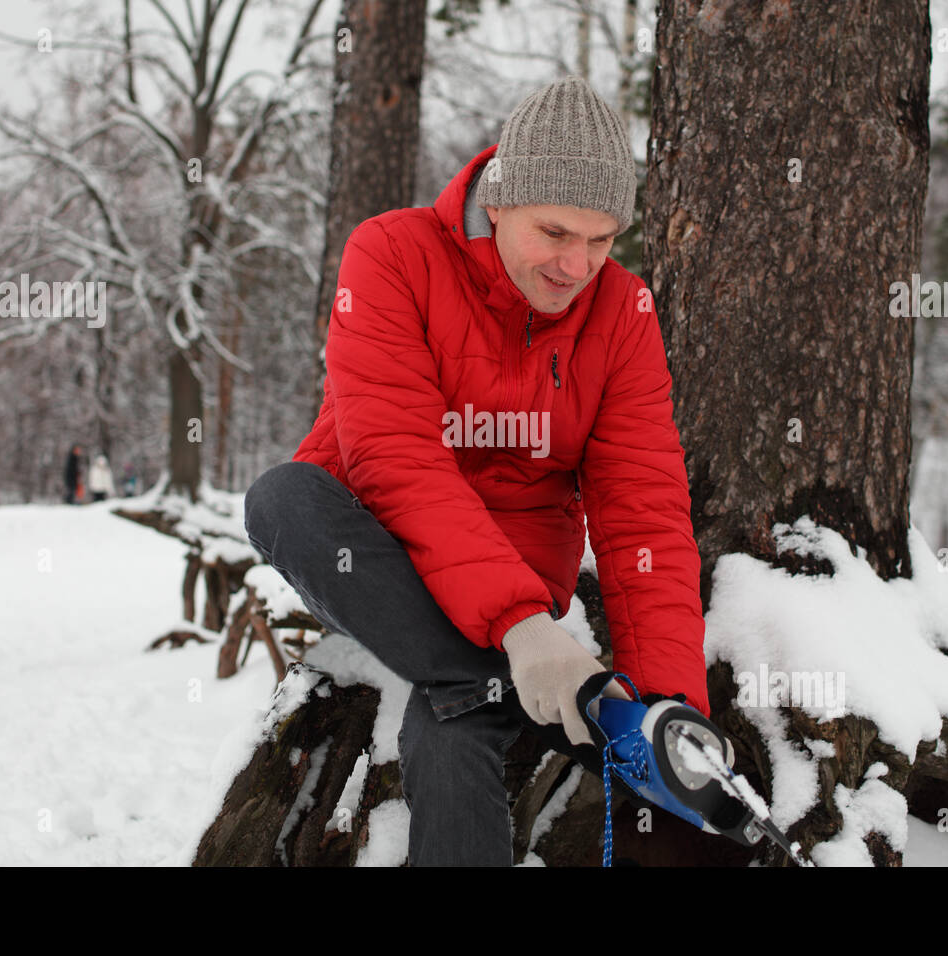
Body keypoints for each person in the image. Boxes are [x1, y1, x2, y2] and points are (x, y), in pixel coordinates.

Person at [244, 75, 716, 866]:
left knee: (454, 720)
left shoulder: (623, 313)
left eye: (602, 242)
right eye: (555, 232)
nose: (577, 266)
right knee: (280, 498)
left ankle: (487, 682)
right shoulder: (392, 254)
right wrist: (525, 634)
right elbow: (394, 459)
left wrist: (669, 712)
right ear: (498, 200)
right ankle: (504, 676)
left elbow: (646, 511)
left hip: (523, 581)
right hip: (382, 562)